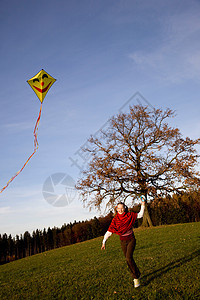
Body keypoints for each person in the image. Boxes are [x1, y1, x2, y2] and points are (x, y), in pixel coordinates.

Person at [101, 198, 145, 288]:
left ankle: (136, 278)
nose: (120, 210)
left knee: (129, 258)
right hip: (123, 241)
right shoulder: (115, 220)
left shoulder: (129, 215)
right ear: (116, 209)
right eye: (118, 208)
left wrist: (143, 205)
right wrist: (104, 242)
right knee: (128, 260)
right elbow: (109, 231)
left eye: (122, 208)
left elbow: (140, 215)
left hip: (131, 239)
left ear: (124, 208)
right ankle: (138, 273)